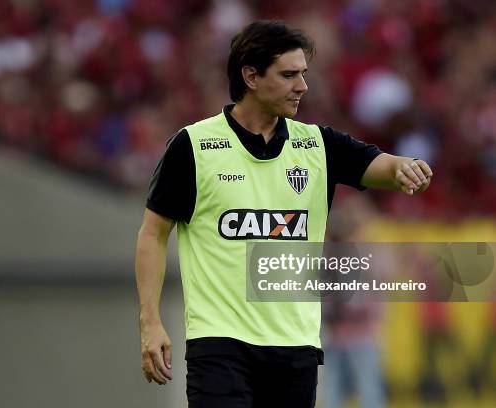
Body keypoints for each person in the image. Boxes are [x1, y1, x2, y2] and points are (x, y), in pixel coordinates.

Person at [135, 20, 433, 408]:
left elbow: (382, 166)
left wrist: (404, 168)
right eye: (289, 74)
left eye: (304, 74)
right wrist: (150, 322)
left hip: (296, 349)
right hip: (220, 346)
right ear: (251, 76)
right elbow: (152, 233)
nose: (302, 86)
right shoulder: (194, 146)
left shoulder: (318, 145)